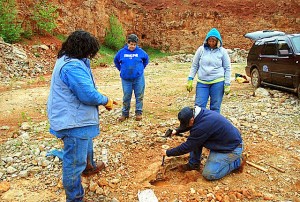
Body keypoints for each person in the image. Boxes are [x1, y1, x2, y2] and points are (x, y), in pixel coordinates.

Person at [47, 30, 117, 202]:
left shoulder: (69, 59)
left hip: (75, 118)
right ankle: (75, 197)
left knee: (85, 143)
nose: (90, 56)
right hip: (73, 122)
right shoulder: (72, 66)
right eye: (88, 52)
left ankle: (89, 166)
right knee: (73, 163)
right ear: (82, 49)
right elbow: (87, 95)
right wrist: (106, 100)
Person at [162, 106, 243, 180]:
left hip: (231, 148)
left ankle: (237, 162)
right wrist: (177, 130)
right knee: (196, 139)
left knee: (209, 174)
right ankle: (193, 165)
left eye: (186, 124)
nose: (185, 126)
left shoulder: (202, 126)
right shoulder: (199, 113)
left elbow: (188, 146)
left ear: (192, 119)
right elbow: (192, 126)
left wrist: (168, 152)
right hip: (223, 142)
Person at [186, 28, 231, 113]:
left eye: (213, 41)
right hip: (202, 82)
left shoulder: (222, 52)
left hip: (218, 82)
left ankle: (214, 125)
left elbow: (227, 68)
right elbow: (195, 65)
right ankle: (199, 125)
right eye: (209, 40)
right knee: (198, 107)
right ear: (207, 40)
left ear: (218, 41)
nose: (211, 43)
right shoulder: (201, 50)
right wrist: (190, 78)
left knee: (215, 107)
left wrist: (227, 83)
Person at [114, 34, 149, 122]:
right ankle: (125, 114)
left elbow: (146, 59)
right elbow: (116, 61)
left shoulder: (140, 52)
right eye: (131, 44)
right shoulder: (121, 52)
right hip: (126, 79)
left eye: (134, 44)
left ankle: (138, 112)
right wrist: (121, 69)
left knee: (139, 95)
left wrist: (140, 69)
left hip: (138, 78)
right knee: (126, 96)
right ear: (127, 43)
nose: (132, 46)